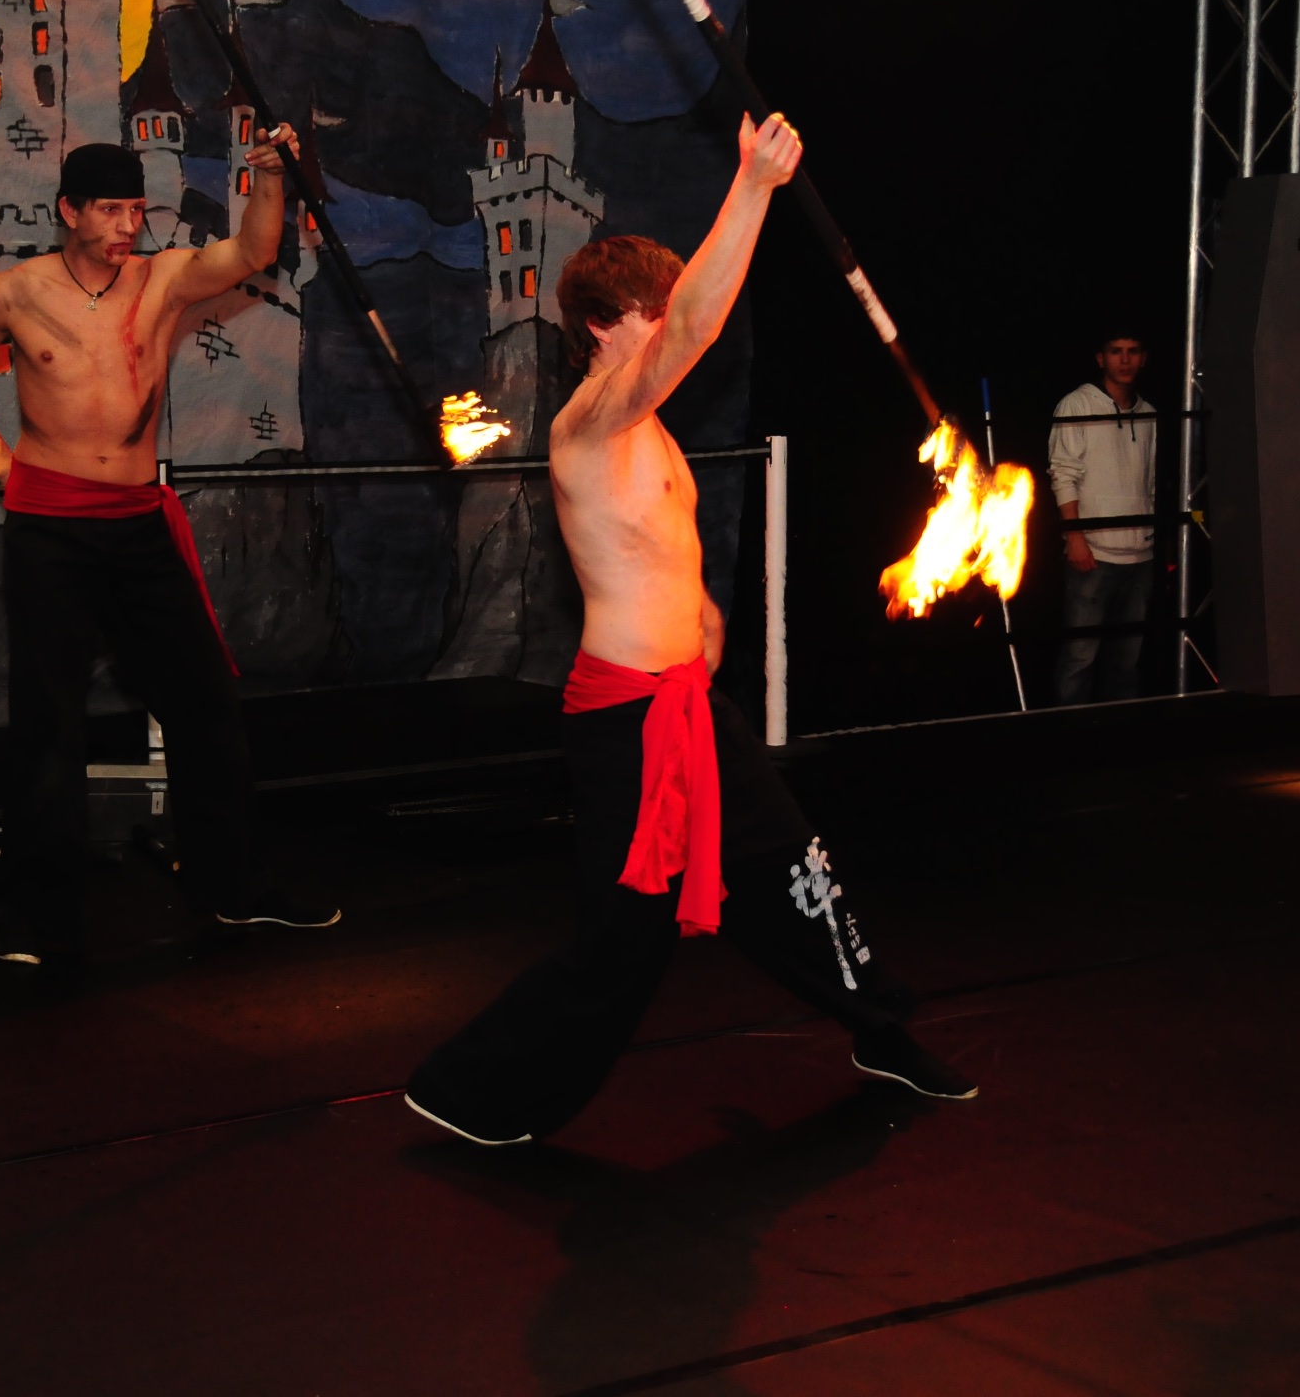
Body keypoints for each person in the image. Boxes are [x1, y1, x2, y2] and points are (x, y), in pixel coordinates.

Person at [402, 112, 976, 1147]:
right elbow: (696, 329)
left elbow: (659, 549)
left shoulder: (651, 431)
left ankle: (879, 1030)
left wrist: (705, 611)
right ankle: (464, 1087)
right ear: (603, 325)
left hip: (692, 708)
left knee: (794, 871)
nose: (675, 325)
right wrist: (752, 186)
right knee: (623, 940)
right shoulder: (586, 424)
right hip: (626, 719)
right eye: (656, 311)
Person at [0, 138, 340, 966]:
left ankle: (232, 887)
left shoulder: (161, 281)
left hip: (138, 521)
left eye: (135, 211)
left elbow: (254, 251)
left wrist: (267, 175)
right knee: (50, 721)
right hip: (51, 526)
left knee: (204, 703)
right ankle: (37, 917)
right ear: (69, 211)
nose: (125, 226)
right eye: (109, 211)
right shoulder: (16, 293)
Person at [1048, 329, 1158, 704]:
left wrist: (1155, 541)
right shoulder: (1076, 405)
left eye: (1133, 351)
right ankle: (1071, 731)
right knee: (1080, 658)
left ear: (1144, 358)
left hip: (1140, 557)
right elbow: (1063, 474)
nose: (1125, 360)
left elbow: (1152, 482)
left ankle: (1120, 731)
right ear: (1101, 359)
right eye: (1116, 351)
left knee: (1128, 661)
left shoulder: (1149, 413)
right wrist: (1075, 538)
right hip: (1093, 555)